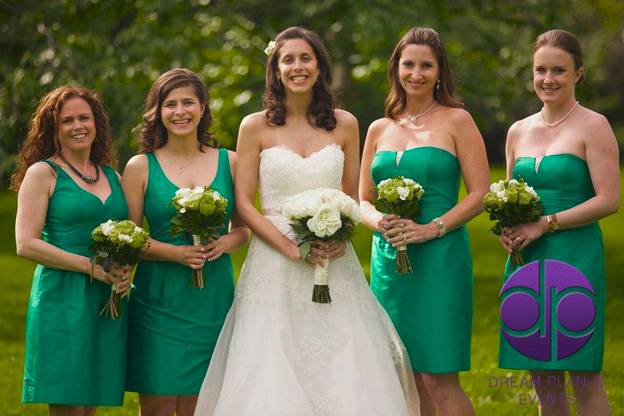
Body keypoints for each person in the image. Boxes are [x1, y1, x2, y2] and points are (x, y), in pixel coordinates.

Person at [194, 26, 420, 416]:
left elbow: (350, 198)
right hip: (273, 259)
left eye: (305, 58)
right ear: (275, 70)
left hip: (332, 258)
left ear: (319, 66)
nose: (297, 67)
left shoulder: (346, 124)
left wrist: (340, 237)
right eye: (288, 60)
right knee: (271, 362)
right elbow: (245, 204)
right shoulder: (255, 126)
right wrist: (289, 247)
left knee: (342, 358)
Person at [359, 27, 489, 416]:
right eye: (409, 63)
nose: (416, 73)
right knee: (403, 375)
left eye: (426, 65)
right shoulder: (379, 128)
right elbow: (361, 198)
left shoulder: (457, 121)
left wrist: (432, 229)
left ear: (439, 71)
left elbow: (481, 193)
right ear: (396, 68)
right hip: (389, 263)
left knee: (438, 377)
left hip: (440, 259)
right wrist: (380, 222)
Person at [499, 29, 618, 416]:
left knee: (583, 373)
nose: (547, 80)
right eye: (540, 70)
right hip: (526, 259)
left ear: (578, 74)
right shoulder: (518, 130)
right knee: (541, 373)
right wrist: (508, 229)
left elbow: (609, 200)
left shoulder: (594, 126)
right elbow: (508, 196)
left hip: (575, 255)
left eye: (559, 71)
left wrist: (544, 223)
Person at [122, 68, 249, 416]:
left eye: (188, 102)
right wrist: (175, 253)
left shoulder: (231, 161)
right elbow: (129, 240)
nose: (180, 112)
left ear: (203, 107)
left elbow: (244, 228)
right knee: (159, 401)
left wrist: (226, 243)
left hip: (213, 299)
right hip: (158, 301)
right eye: (170, 104)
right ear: (158, 112)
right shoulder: (139, 167)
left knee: (205, 402)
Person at [12, 86, 130, 415]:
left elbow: (127, 235)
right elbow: (26, 243)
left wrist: (124, 271)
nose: (77, 126)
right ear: (53, 128)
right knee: (67, 402)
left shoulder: (114, 176)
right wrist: (87, 266)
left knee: (91, 399)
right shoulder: (43, 173)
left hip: (103, 297)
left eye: (84, 118)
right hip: (60, 296)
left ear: (97, 124)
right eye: (67, 120)